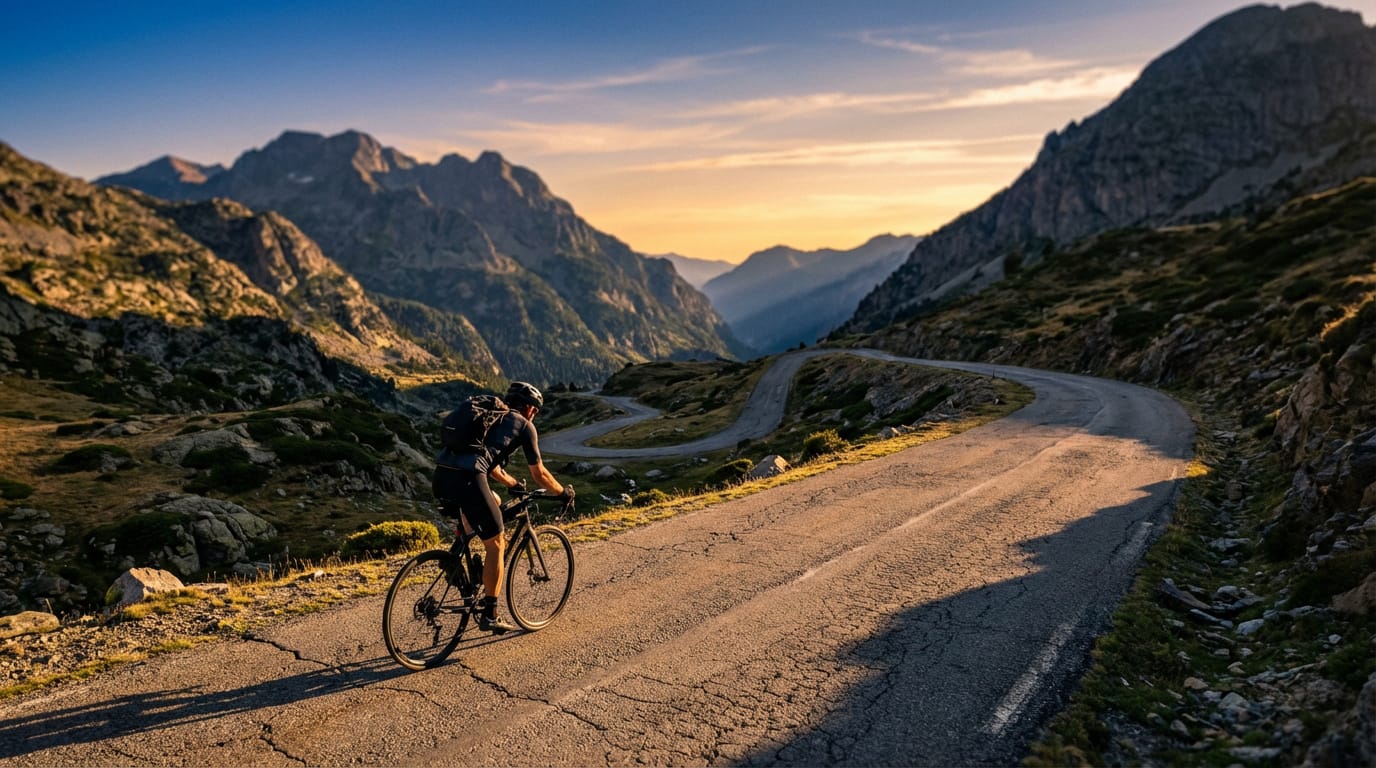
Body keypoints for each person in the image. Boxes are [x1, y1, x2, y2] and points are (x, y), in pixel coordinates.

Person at [432, 381, 573, 633]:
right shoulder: (524, 426)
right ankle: (491, 614)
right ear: (530, 408)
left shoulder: (492, 417)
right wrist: (563, 493)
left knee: (493, 501)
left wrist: (513, 482)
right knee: (497, 543)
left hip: (442, 475)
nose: (535, 415)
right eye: (536, 410)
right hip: (468, 478)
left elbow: (490, 463)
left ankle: (455, 556)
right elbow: (539, 473)